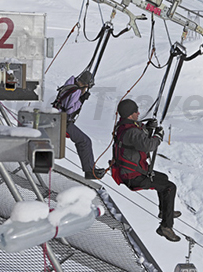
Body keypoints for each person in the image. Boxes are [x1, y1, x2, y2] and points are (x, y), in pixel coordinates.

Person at [112, 98, 182, 242]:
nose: (138, 113)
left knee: (163, 179)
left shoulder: (123, 126)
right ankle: (166, 227)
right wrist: (158, 136)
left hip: (128, 172)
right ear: (130, 115)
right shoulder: (131, 131)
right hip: (133, 176)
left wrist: (148, 128)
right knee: (170, 187)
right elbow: (148, 145)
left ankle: (165, 211)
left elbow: (138, 138)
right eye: (136, 112)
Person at [52, 70, 106, 179]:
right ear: (85, 85)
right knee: (85, 141)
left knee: (83, 140)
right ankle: (89, 171)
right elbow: (70, 109)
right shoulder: (76, 91)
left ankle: (89, 169)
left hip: (56, 117)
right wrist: (81, 100)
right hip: (63, 121)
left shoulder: (69, 84)